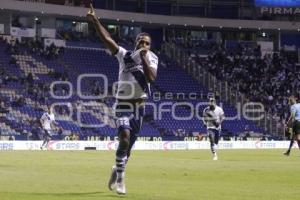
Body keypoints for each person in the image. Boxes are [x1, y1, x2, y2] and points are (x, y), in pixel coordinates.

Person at [87, 4, 158, 195]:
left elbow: (151, 78)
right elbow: (107, 39)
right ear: (135, 43)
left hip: (140, 108)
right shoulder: (124, 55)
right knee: (124, 138)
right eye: (141, 42)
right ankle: (121, 181)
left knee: (128, 151)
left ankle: (116, 170)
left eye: (147, 43)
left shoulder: (152, 58)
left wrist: (143, 58)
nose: (144, 45)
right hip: (123, 105)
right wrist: (95, 20)